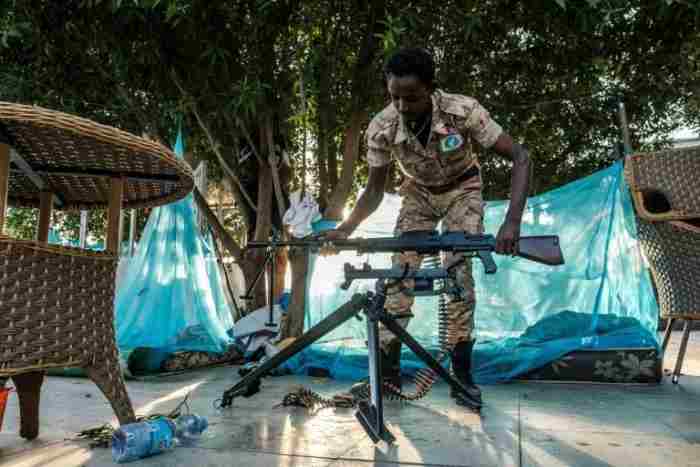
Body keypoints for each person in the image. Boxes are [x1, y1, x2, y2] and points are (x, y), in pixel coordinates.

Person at [324, 47, 530, 408]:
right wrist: (346, 228)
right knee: (398, 274)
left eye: (412, 97)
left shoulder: (462, 110)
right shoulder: (381, 127)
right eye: (394, 97)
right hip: (417, 193)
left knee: (458, 274)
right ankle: (386, 374)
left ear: (431, 88)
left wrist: (512, 223)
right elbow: (373, 191)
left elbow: (521, 156)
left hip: (462, 190)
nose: (402, 106)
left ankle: (461, 376)